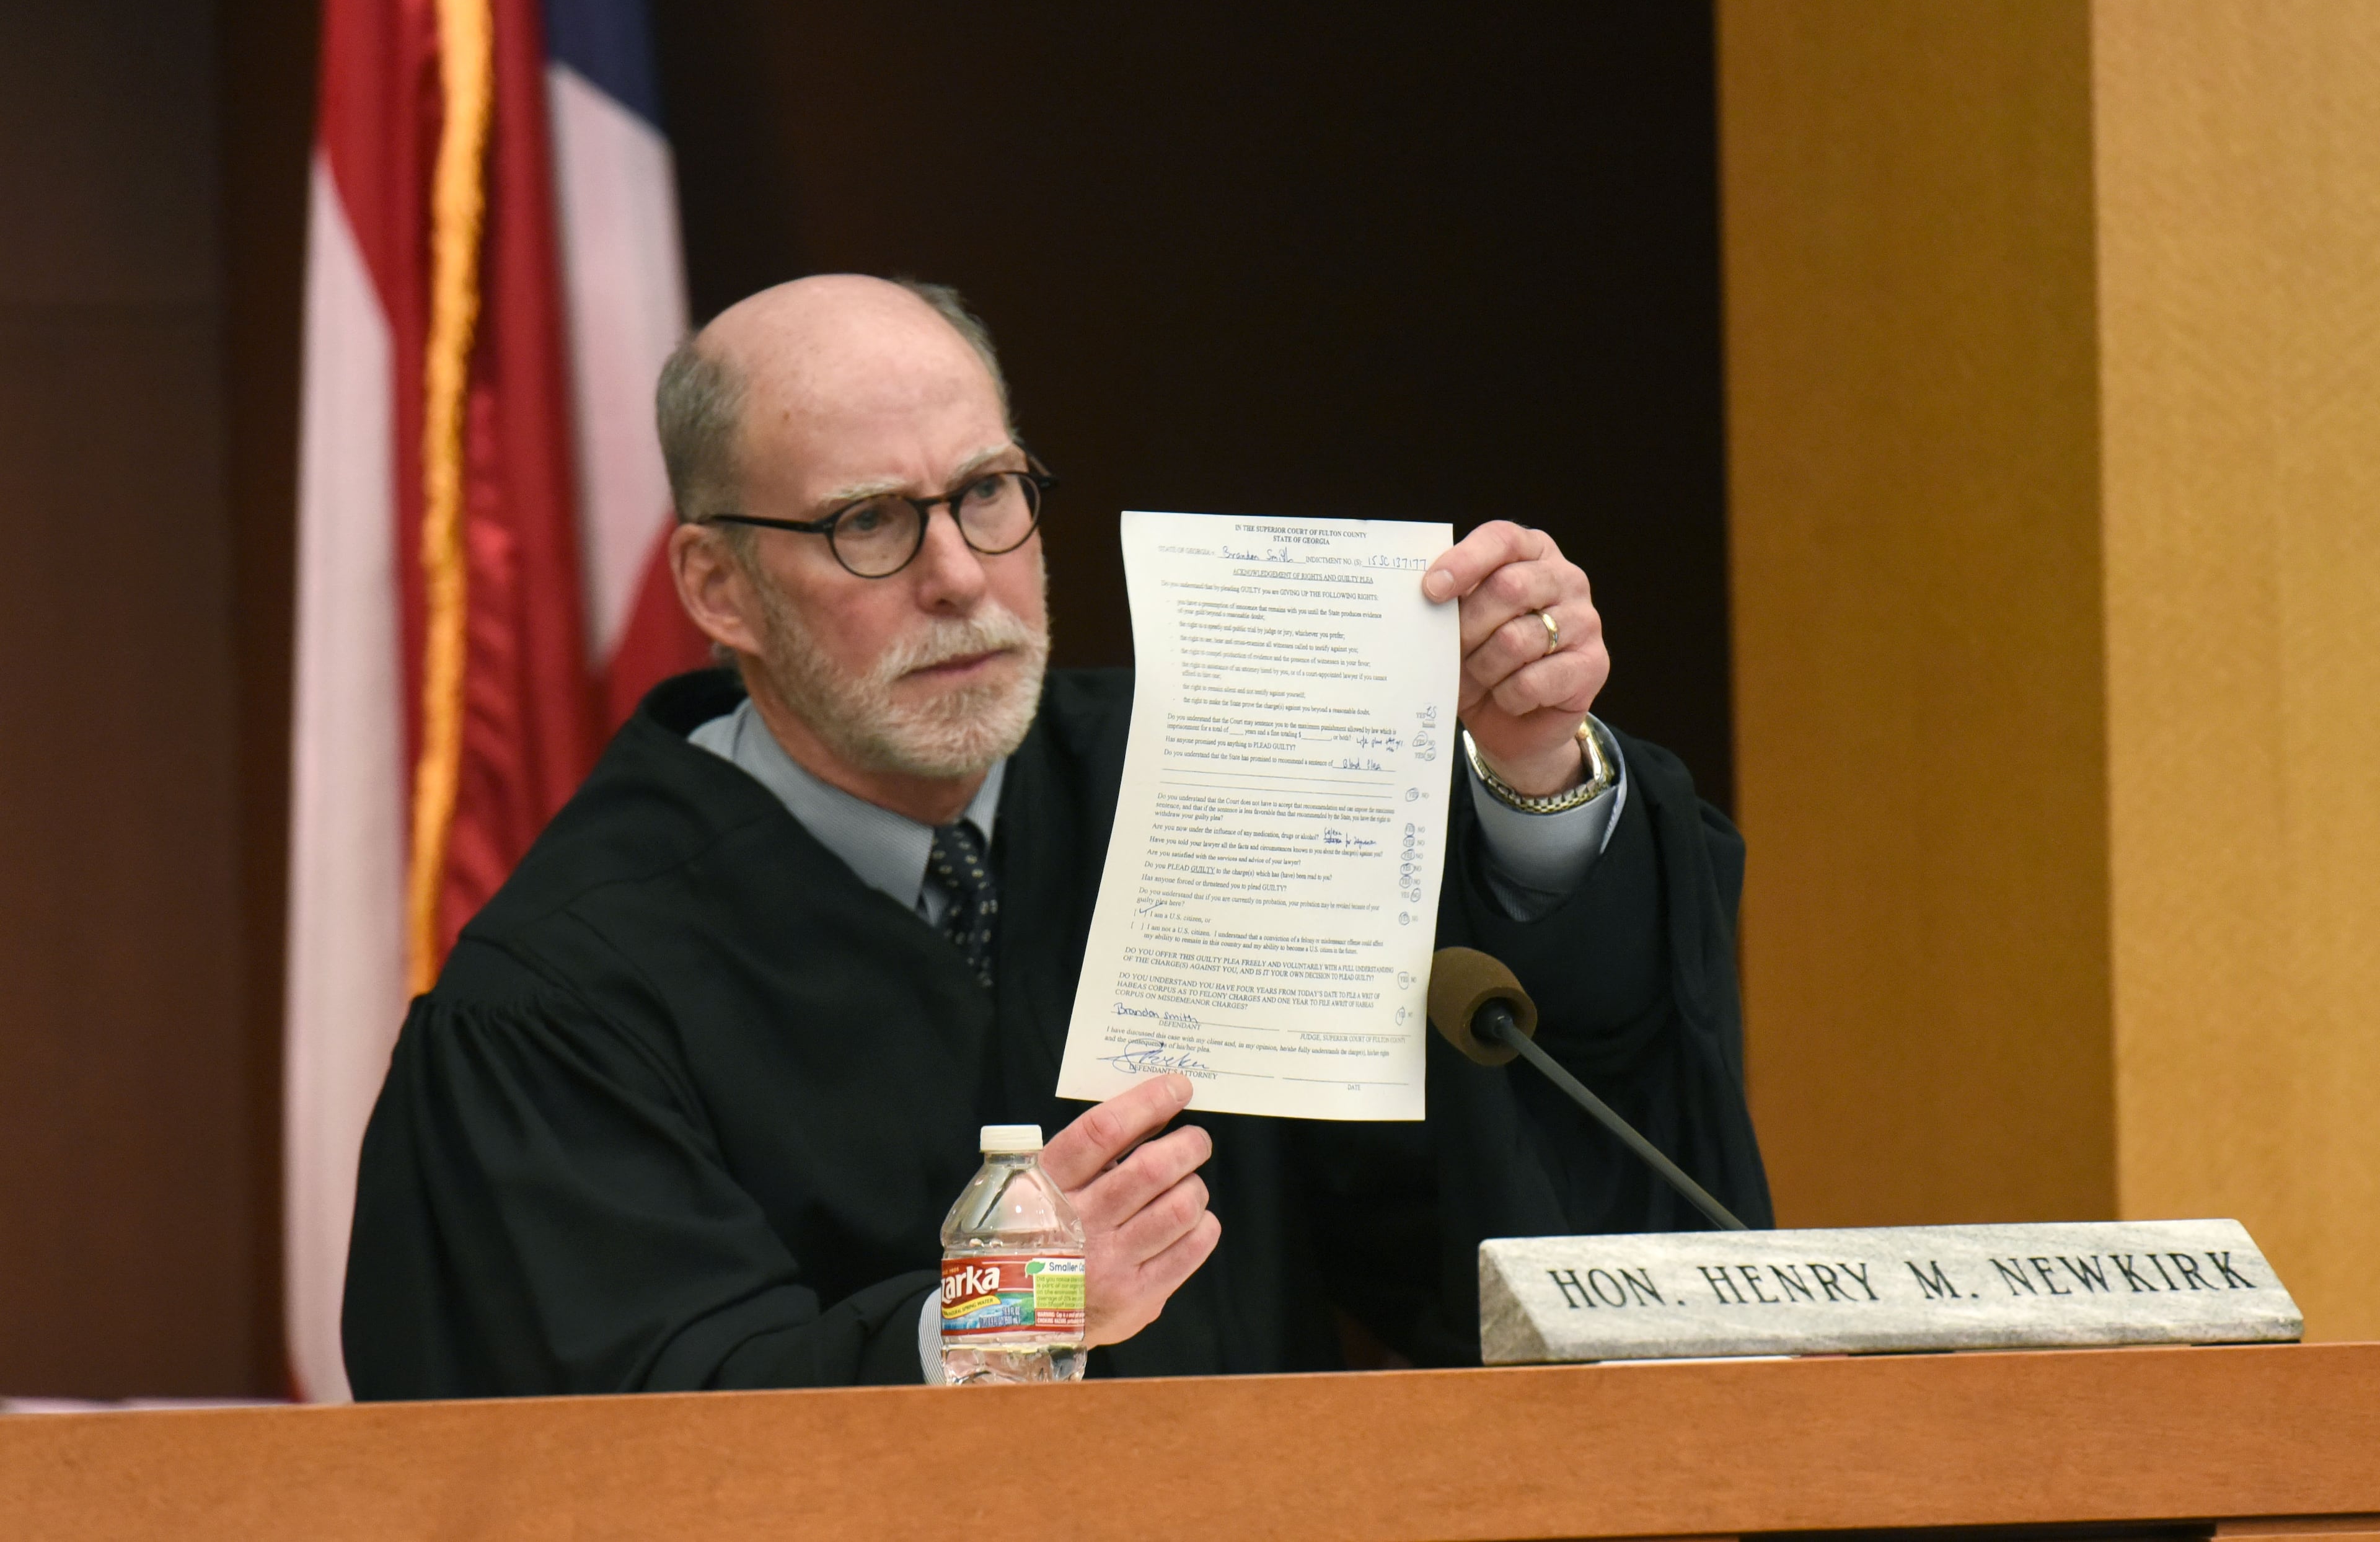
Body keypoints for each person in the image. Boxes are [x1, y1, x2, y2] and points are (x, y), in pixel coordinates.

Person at [343, 275, 1770, 1397]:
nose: (962, 577)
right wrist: (1014, 1303)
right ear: (718, 584)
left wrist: (1527, 770)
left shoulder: (1202, 786)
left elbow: (1486, 1208)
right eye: (867, 526)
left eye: (986, 493)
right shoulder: (569, 993)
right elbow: (627, 1433)